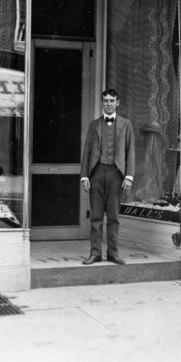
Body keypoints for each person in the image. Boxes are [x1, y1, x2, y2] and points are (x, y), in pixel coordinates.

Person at [80, 89, 135, 265]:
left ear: (117, 103)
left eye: (112, 101)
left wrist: (129, 177)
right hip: (96, 173)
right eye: (105, 101)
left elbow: (130, 151)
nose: (108, 104)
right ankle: (95, 253)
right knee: (96, 216)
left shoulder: (126, 124)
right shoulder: (94, 125)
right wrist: (84, 176)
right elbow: (87, 151)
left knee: (113, 216)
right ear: (102, 103)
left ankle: (113, 253)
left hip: (115, 174)